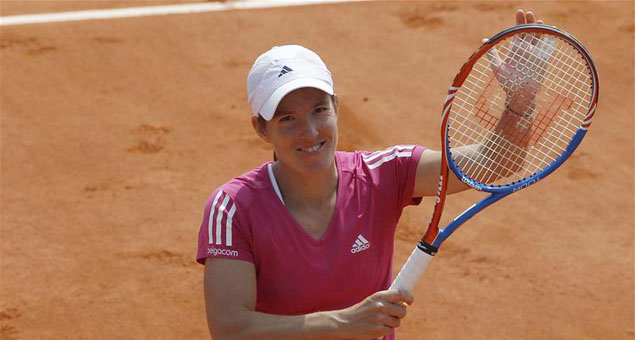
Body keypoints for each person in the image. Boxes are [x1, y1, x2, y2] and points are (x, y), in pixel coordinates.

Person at [197, 9, 545, 340]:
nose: (310, 131)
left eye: (320, 110)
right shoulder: (232, 209)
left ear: (336, 107)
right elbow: (231, 329)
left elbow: (495, 162)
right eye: (287, 118)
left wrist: (522, 102)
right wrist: (342, 323)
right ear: (261, 129)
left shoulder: (384, 174)